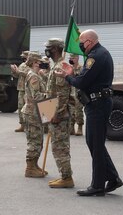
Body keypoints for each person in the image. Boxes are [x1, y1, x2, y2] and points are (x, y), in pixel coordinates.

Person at [55, 29, 123, 197]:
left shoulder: (95, 56)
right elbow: (85, 79)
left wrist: (67, 76)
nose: (80, 45)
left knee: (96, 144)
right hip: (97, 103)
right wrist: (73, 74)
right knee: (94, 143)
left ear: (90, 42)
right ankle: (113, 178)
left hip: (98, 104)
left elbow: (82, 82)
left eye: (82, 42)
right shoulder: (98, 53)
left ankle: (97, 185)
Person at [44, 38, 74, 188]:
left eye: (49, 48)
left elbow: (62, 95)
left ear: (55, 49)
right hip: (52, 111)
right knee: (58, 145)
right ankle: (64, 175)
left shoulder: (61, 66)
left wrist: (57, 114)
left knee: (60, 147)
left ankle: (67, 178)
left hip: (59, 115)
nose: (47, 50)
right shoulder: (56, 65)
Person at [20, 52, 48, 178]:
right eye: (39, 61)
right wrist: (50, 96)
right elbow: (36, 96)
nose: (41, 63)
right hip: (32, 112)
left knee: (39, 141)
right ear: (34, 62)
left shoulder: (36, 75)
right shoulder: (33, 77)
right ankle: (30, 168)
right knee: (34, 142)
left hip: (37, 112)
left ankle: (35, 165)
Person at [12, 51, 30, 132]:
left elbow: (28, 74)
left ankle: (28, 125)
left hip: (28, 90)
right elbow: (17, 75)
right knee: (20, 107)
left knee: (28, 108)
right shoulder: (22, 65)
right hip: (21, 88)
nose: (23, 58)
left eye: (24, 57)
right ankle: (22, 125)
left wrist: (19, 72)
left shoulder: (31, 66)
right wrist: (14, 71)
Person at [67, 54, 84, 136]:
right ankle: (71, 128)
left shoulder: (81, 68)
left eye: (72, 58)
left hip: (78, 92)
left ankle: (80, 127)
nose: (71, 59)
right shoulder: (69, 68)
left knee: (78, 110)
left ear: (77, 58)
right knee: (71, 110)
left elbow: (81, 78)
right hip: (70, 92)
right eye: (70, 58)